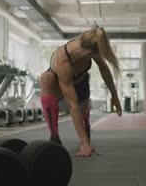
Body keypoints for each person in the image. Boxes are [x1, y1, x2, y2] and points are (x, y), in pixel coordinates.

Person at [40, 27, 122, 157]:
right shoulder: (63, 60)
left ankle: (86, 128)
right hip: (59, 83)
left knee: (83, 108)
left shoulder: (90, 42)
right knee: (46, 78)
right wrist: (84, 144)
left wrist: (114, 96)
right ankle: (54, 136)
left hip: (81, 81)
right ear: (89, 53)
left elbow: (104, 68)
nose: (98, 58)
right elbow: (72, 105)